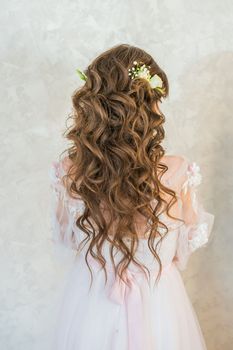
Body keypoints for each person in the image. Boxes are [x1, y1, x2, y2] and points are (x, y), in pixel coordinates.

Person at [49, 44, 215, 350]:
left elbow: (68, 240)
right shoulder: (177, 172)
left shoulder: (70, 171)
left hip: (92, 298)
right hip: (159, 300)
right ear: (148, 106)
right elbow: (185, 247)